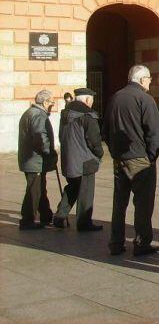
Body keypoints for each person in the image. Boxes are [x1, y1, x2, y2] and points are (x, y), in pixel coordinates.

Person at [102, 65, 159, 256]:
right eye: (149, 78)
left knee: (119, 203)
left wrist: (114, 151)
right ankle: (142, 242)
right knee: (143, 203)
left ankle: (116, 242)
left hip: (120, 158)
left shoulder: (115, 97)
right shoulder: (145, 99)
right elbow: (154, 132)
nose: (150, 82)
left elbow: (105, 130)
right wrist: (151, 157)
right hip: (140, 159)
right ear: (143, 79)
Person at [53, 88, 103, 231]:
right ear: (87, 100)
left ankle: (60, 216)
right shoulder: (88, 116)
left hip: (69, 159)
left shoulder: (66, 113)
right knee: (85, 192)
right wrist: (99, 153)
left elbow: (61, 136)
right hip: (85, 161)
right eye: (91, 100)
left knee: (72, 188)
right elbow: (94, 140)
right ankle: (84, 223)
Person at [18, 90, 57, 230]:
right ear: (45, 102)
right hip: (35, 160)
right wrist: (49, 152)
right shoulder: (38, 115)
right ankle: (27, 220)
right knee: (34, 191)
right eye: (52, 103)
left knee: (39, 188)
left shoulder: (30, 112)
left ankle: (46, 215)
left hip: (31, 159)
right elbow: (40, 137)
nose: (52, 106)